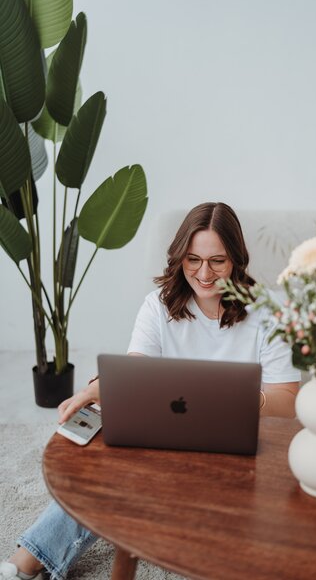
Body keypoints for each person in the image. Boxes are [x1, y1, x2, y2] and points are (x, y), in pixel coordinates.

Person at [1, 202, 300, 580]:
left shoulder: (267, 313)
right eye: (193, 260)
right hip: (165, 442)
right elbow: (136, 375)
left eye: (217, 262)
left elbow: (287, 404)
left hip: (235, 450)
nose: (204, 274)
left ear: (237, 260)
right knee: (106, 466)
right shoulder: (158, 306)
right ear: (179, 257)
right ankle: (23, 564)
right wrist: (96, 390)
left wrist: (231, 398)